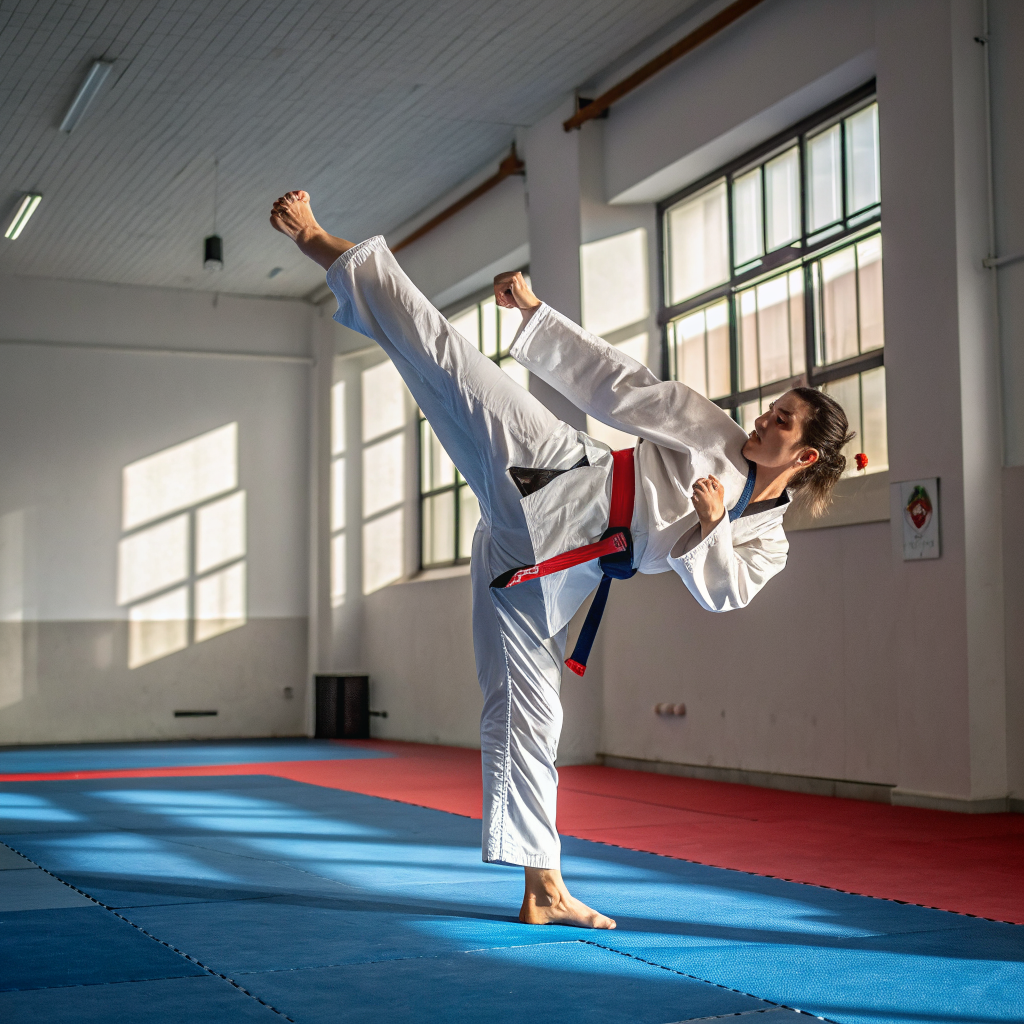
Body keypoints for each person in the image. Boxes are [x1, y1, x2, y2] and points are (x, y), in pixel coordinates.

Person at [269, 190, 853, 930]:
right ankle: (321, 239)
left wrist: (711, 528)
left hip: (549, 566)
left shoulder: (767, 540)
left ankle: (542, 887)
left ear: (804, 457)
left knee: (530, 716)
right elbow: (623, 386)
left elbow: (724, 595)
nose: (763, 418)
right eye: (772, 408)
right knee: (445, 362)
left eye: (781, 421)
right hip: (556, 471)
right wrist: (536, 315)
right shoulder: (713, 432)